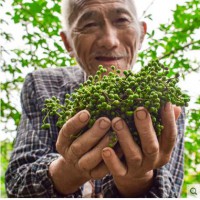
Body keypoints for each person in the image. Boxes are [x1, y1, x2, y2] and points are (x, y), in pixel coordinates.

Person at [5, 0, 185, 198]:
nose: (109, 40)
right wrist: (68, 170)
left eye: (122, 20)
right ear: (68, 43)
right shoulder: (42, 85)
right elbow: (17, 185)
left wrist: (138, 181)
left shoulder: (160, 100)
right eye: (89, 25)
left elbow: (169, 191)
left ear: (141, 33)